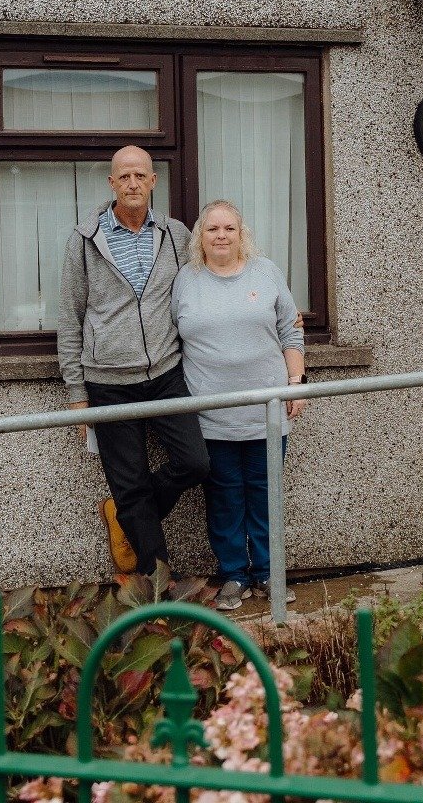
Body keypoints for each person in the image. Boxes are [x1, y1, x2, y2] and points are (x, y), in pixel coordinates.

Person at [57, 146, 209, 580]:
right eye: (124, 177)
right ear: (111, 183)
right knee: (130, 483)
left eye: (140, 176)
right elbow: (70, 316)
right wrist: (76, 394)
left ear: (153, 180)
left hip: (165, 372)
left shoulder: (176, 234)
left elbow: (208, 281)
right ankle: (159, 587)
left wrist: (276, 311)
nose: (133, 184)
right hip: (107, 381)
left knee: (195, 463)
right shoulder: (85, 240)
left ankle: (126, 514)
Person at [171, 200, 306, 611]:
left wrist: (296, 383)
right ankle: (233, 574)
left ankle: (268, 572)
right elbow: (171, 339)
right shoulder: (185, 280)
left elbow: (290, 329)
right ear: (201, 237)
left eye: (229, 227)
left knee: (265, 494)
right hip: (211, 415)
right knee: (225, 498)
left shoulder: (266, 273)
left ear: (241, 233)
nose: (221, 235)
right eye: (212, 229)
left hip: (267, 409)